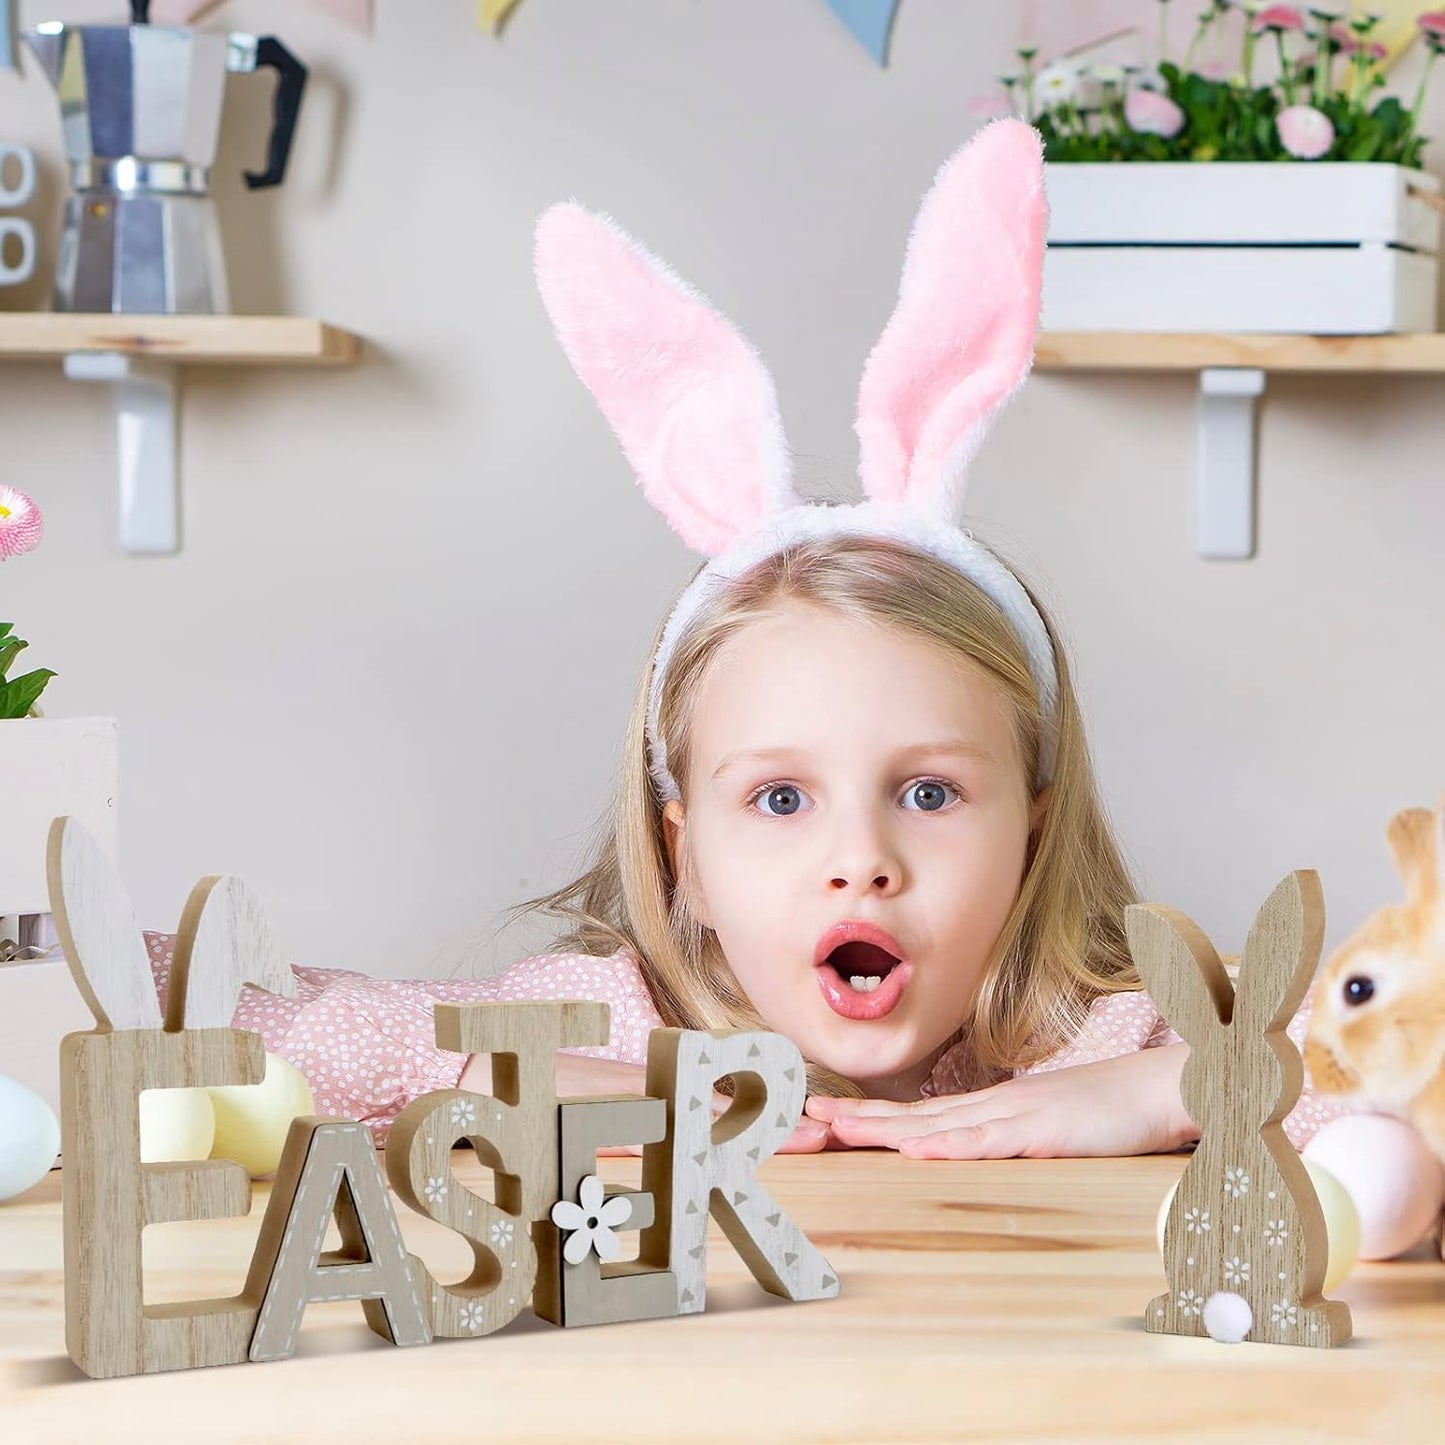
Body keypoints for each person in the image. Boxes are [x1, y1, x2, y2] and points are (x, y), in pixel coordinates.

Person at [145, 119, 1343, 1158]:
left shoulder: (1119, 1029)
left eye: (928, 790)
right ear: (687, 863)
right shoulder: (603, 1019)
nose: (859, 859)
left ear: (1030, 829)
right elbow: (172, 1011)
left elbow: (1391, 1054)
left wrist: (1181, 1085)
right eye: (778, 800)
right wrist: (484, 1078)